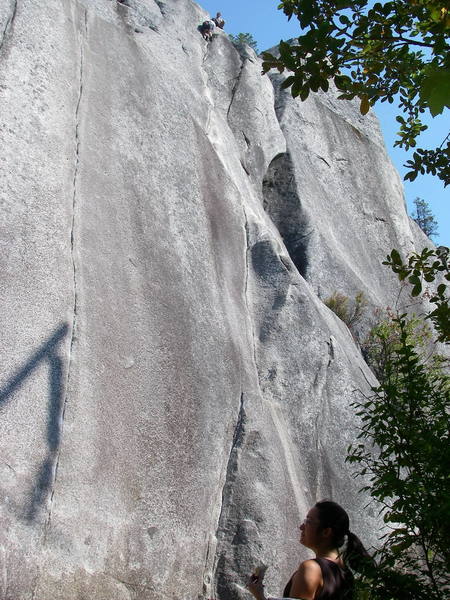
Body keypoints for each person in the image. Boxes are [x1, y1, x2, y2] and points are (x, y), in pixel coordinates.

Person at [248, 500, 372, 600]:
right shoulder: (346, 573)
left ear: (326, 532)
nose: (301, 526)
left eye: (308, 521)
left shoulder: (312, 569)